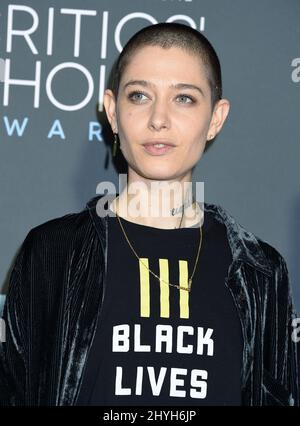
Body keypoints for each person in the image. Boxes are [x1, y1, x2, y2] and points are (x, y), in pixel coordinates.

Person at [0, 22, 298, 406]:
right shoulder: (53, 252)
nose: (159, 118)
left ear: (216, 118)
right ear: (112, 111)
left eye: (184, 99)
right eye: (139, 95)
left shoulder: (259, 270)